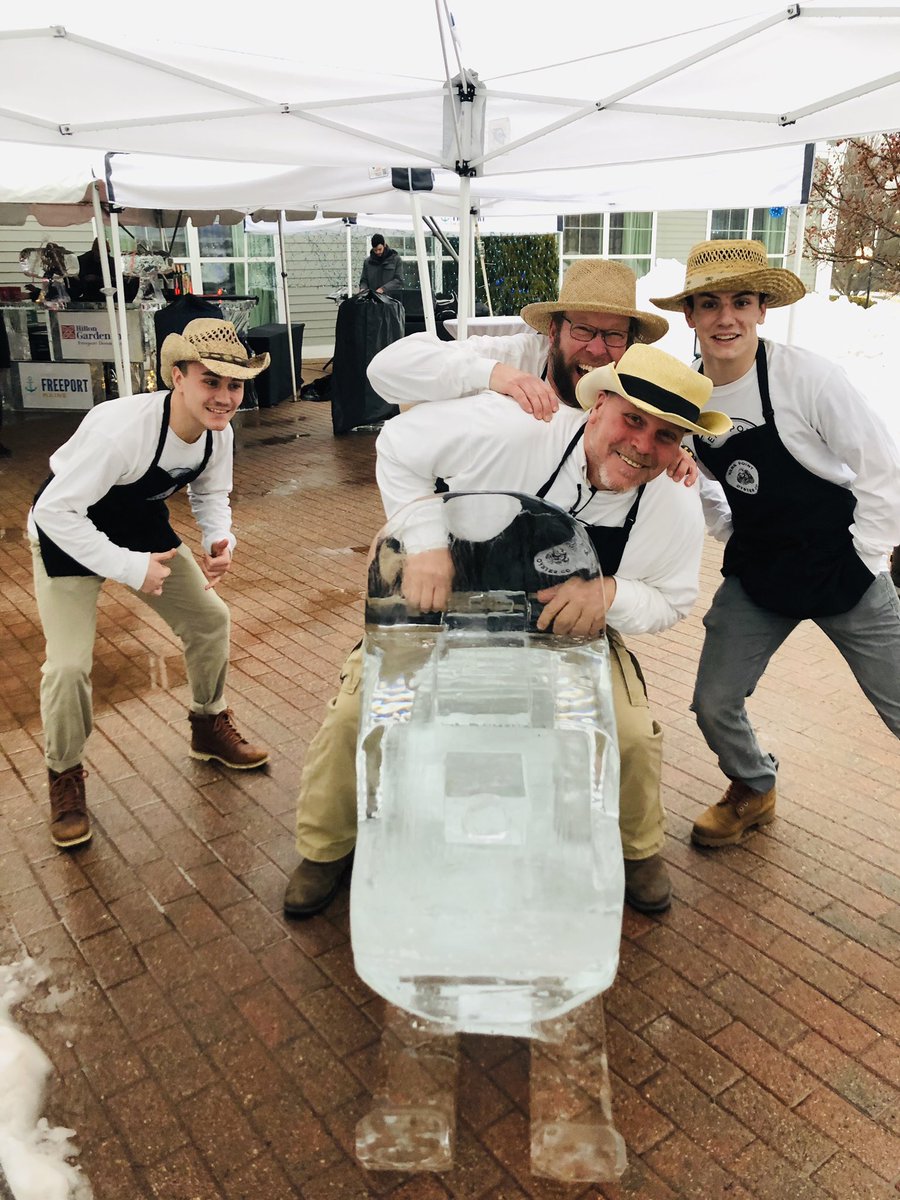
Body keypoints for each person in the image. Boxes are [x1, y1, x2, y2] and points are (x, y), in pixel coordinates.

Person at [284, 313, 730, 919]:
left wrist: (612, 595)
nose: (643, 446)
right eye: (632, 420)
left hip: (565, 640)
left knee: (627, 732)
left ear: (683, 445)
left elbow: (675, 597)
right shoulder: (515, 427)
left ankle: (636, 848)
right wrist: (424, 540)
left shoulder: (673, 501)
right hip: (451, 609)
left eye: (666, 436)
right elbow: (396, 445)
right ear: (597, 408)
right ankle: (325, 846)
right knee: (359, 714)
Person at [651, 239, 900, 847]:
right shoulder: (687, 394)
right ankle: (753, 787)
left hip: (844, 569)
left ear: (762, 308)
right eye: (709, 304)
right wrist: (731, 528)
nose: (725, 317)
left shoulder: (807, 379)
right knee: (713, 702)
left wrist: (865, 560)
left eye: (741, 301)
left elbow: (881, 469)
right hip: (760, 574)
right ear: (691, 316)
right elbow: (699, 477)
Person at [29, 319, 272, 850]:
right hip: (66, 528)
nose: (225, 397)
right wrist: (130, 568)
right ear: (178, 377)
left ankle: (208, 725)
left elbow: (211, 493)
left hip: (138, 523)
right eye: (211, 381)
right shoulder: (122, 430)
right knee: (68, 665)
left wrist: (219, 538)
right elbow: (55, 511)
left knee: (210, 620)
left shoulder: (219, 433)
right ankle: (64, 775)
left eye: (234, 384)